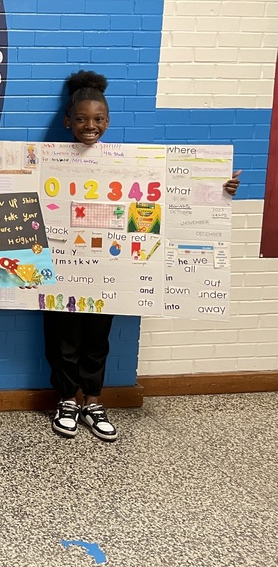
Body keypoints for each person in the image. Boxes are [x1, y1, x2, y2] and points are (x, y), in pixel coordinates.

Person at [46, 71, 241, 442]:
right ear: (68, 120)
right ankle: (67, 401)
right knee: (63, 337)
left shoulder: (128, 161)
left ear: (108, 120)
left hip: (109, 269)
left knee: (98, 337)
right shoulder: (49, 159)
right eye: (83, 119)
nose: (91, 126)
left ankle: (93, 400)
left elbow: (173, 191)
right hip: (62, 269)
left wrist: (220, 188)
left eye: (99, 119)